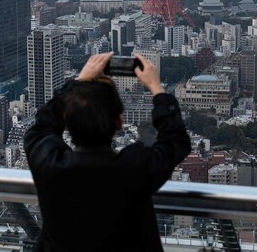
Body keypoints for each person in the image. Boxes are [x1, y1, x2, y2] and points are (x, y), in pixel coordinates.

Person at [24, 52, 191, 252]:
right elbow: (176, 140)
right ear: (119, 122)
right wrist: (156, 88)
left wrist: (79, 82)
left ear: (67, 119)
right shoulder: (135, 169)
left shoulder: (50, 165)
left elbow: (41, 126)